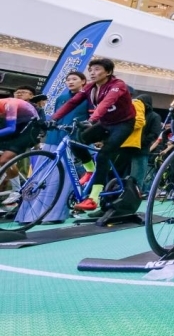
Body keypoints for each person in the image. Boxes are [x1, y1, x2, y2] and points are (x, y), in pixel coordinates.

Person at [51, 58, 136, 212]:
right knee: (76, 142)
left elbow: (106, 102)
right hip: (105, 123)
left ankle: (93, 199)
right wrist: (53, 119)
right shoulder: (90, 87)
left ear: (108, 72)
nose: (92, 73)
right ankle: (90, 170)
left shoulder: (118, 85)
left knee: (104, 155)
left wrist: (91, 120)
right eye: (90, 70)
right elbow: (72, 102)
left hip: (123, 124)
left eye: (97, 69)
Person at [37, 71, 88, 223]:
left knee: (63, 177)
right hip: (53, 138)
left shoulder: (88, 98)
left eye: (74, 79)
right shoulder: (62, 97)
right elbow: (56, 115)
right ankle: (34, 213)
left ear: (83, 81)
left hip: (72, 139)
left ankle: (56, 214)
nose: (70, 82)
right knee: (43, 175)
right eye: (68, 79)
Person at [132, 95, 162, 194]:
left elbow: (155, 134)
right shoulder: (135, 113)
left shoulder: (154, 116)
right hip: (129, 149)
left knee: (137, 177)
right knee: (127, 176)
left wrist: (141, 141)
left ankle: (134, 197)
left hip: (141, 150)